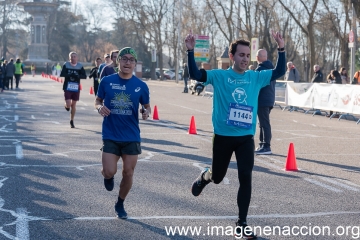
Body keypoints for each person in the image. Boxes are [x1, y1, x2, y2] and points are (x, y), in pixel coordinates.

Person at [185, 30, 285, 239]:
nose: (245, 59)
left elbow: (279, 71)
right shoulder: (220, 76)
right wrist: (190, 51)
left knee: (246, 177)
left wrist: (281, 49)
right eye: (241, 55)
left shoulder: (255, 77)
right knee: (218, 177)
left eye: (248, 56)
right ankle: (206, 176)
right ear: (232, 56)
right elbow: (196, 74)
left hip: (246, 137)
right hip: (223, 136)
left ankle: (242, 223)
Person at [95, 47, 151, 219]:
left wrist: (146, 112)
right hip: (111, 133)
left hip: (131, 135)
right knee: (109, 171)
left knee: (128, 172)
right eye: (124, 59)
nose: (127, 62)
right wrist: (99, 107)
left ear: (135, 63)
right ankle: (107, 175)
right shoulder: (106, 81)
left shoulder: (141, 86)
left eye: (131, 60)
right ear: (118, 61)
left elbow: (147, 106)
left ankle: (120, 203)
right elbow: (98, 100)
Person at [254, 49, 275, 155]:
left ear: (259, 57)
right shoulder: (272, 68)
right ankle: (262, 144)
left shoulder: (260, 69)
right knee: (262, 123)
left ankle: (266, 145)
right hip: (270, 98)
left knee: (264, 123)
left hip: (262, 99)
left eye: (257, 56)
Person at [60, 52, 87, 128]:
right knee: (69, 104)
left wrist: (78, 76)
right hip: (67, 86)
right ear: (69, 58)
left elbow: (84, 76)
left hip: (76, 87)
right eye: (72, 57)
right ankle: (66, 106)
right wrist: (69, 75)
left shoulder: (80, 66)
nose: (73, 58)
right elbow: (62, 74)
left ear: (77, 58)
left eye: (74, 56)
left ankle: (72, 120)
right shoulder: (66, 65)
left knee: (74, 105)